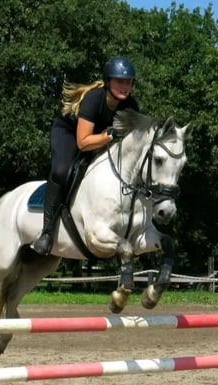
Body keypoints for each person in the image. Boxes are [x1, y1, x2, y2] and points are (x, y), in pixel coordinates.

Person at [32, 56, 140, 255]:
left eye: (128, 82)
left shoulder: (131, 106)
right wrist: (108, 136)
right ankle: (47, 232)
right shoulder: (94, 99)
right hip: (70, 134)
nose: (125, 86)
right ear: (108, 82)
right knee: (62, 170)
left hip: (98, 139)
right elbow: (83, 142)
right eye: (120, 81)